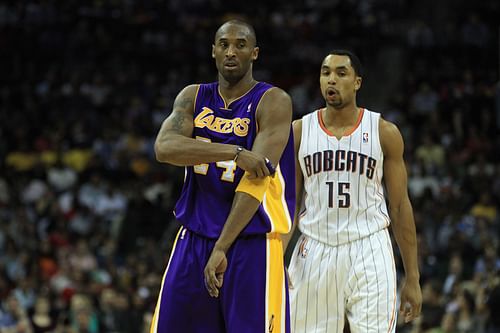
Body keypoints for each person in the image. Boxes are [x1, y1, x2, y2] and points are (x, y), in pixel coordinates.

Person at [150, 20, 295, 333]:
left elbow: (256, 180)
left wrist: (222, 247)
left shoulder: (273, 101)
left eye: (240, 45)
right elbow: (164, 147)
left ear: (254, 53)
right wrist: (234, 152)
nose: (231, 51)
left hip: (250, 242)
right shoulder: (192, 96)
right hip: (194, 236)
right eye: (224, 44)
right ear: (213, 52)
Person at [284, 50, 422, 332]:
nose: (331, 80)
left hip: (369, 246)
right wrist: (276, 256)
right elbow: (290, 201)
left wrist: (413, 277)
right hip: (315, 247)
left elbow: (399, 207)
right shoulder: (299, 131)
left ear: (357, 82)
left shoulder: (384, 132)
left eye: (341, 73)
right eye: (325, 73)